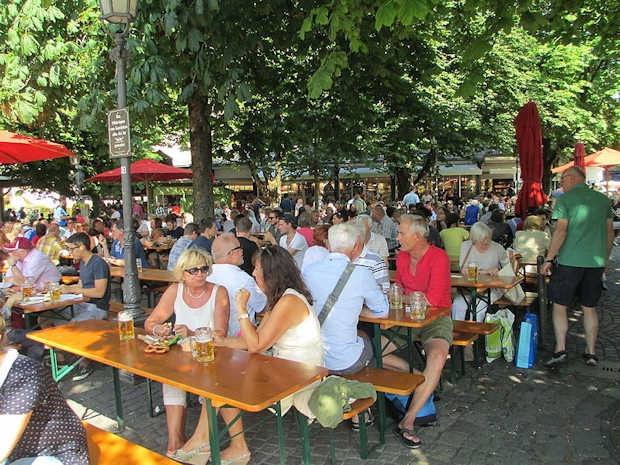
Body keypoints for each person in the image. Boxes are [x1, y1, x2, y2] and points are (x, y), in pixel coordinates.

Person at [211, 245, 323, 465]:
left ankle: (235, 447)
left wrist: (242, 308)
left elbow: (256, 345)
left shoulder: (290, 301)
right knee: (221, 381)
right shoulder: (281, 298)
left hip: (301, 375)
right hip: (284, 367)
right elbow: (255, 338)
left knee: (223, 386)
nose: (253, 272)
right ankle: (220, 445)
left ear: (271, 273)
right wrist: (222, 342)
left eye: (257, 268)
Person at [144, 248, 230, 460]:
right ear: (182, 273)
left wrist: (192, 333)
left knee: (208, 384)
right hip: (182, 356)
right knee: (171, 380)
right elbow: (150, 322)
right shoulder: (175, 290)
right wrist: (159, 329)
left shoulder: (219, 292)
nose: (200, 274)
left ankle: (199, 443)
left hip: (212, 355)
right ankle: (175, 442)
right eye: (193, 270)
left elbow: (220, 334)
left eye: (203, 269)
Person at [542, 167, 615, 367]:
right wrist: (605, 259)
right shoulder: (603, 200)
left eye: (563, 179)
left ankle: (560, 348)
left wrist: (549, 258)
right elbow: (610, 233)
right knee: (589, 307)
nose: (562, 184)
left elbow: (561, 231)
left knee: (559, 305)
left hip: (569, 262)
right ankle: (590, 352)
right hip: (595, 262)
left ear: (573, 178)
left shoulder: (565, 200)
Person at [393, 214, 452, 449]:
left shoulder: (439, 257)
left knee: (437, 356)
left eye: (400, 233)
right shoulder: (402, 256)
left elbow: (433, 300)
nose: (397, 237)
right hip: (406, 318)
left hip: (436, 319)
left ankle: (408, 420)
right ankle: (422, 378)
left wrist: (402, 296)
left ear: (417, 236)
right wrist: (401, 293)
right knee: (373, 351)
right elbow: (398, 285)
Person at [0, 318, 89, 465]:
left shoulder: (23, 374)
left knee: (55, 327)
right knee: (44, 322)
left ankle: (71, 360)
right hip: (17, 452)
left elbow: (3, 444)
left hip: (54, 453)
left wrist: (11, 303)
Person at [302, 223, 388, 374]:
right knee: (372, 342)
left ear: (328, 244)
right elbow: (382, 312)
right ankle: (386, 392)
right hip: (346, 361)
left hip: (316, 357)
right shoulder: (362, 274)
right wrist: (356, 309)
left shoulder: (309, 271)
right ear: (355, 246)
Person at [55, 232, 112, 380]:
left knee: (73, 327)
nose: (69, 252)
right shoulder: (82, 262)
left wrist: (73, 289)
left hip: (97, 307)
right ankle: (60, 358)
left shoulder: (98, 263)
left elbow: (99, 292)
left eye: (71, 248)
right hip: (82, 303)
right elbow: (81, 284)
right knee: (47, 318)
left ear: (81, 247)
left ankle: (85, 364)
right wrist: (66, 291)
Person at [452, 222, 512, 322]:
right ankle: (457, 334)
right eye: (482, 239)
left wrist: (499, 271)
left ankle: (474, 334)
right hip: (468, 288)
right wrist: (485, 272)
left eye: (488, 238)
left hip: (490, 289)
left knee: (479, 309)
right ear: (474, 239)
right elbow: (463, 269)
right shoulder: (466, 246)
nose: (486, 241)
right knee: (458, 306)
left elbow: (507, 269)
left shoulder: (497, 248)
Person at [208, 234, 266, 337]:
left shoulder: (205, 275)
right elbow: (262, 306)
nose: (242, 251)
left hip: (211, 336)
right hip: (240, 339)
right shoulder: (243, 279)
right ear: (230, 253)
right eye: (239, 248)